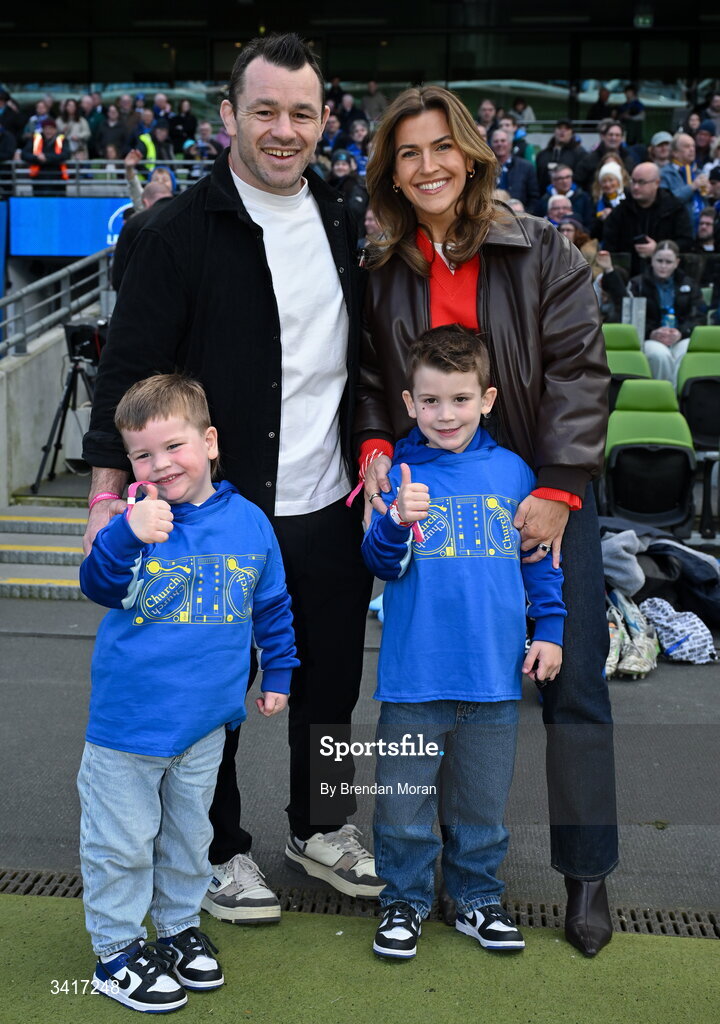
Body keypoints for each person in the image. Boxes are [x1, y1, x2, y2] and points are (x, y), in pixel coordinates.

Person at [82, 32, 381, 925]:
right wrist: (107, 498)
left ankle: (323, 824)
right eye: (265, 110)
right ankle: (216, 852)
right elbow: (127, 371)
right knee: (215, 690)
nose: (284, 129)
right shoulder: (173, 232)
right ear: (229, 116)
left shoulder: (344, 217)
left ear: (324, 119)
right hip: (212, 515)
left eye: (301, 112)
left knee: (327, 682)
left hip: (329, 507)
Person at [357, 84, 617, 958]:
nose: (427, 166)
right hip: (434, 492)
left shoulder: (539, 247)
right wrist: (376, 455)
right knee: (427, 698)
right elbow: (368, 380)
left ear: (470, 153)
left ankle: (588, 876)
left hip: (540, 490)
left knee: (570, 681)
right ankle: (411, 878)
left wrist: (556, 484)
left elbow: (583, 368)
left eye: (442, 148)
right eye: (407, 153)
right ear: (391, 171)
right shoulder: (385, 264)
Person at [78, 374, 297, 1013]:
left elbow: (273, 607)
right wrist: (123, 530)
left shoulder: (251, 523)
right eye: (142, 455)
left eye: (173, 447)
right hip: (129, 726)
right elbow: (97, 584)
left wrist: (280, 674)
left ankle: (175, 928)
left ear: (210, 441)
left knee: (188, 838)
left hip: (206, 727)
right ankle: (116, 951)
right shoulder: (132, 520)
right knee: (120, 842)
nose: (160, 464)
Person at [363, 326, 565, 960]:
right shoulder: (395, 471)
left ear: (488, 399)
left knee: (481, 804)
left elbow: (537, 561)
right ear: (408, 400)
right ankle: (403, 901)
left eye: (458, 399)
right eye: (429, 401)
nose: (443, 415)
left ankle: (478, 899)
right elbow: (379, 561)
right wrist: (396, 521)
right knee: (402, 803)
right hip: (413, 677)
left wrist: (550, 631)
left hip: (493, 677)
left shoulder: (514, 473)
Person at [629, 239, 707, 385]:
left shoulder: (689, 284)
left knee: (685, 353)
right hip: (650, 337)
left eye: (668, 262)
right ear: (652, 260)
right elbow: (631, 318)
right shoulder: (637, 284)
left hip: (681, 336)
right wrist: (652, 332)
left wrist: (681, 332)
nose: (663, 266)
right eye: (659, 260)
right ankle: (665, 397)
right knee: (660, 355)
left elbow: (699, 317)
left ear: (676, 263)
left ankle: (680, 399)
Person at [602, 161, 693, 276]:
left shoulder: (674, 209)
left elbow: (686, 241)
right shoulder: (620, 211)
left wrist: (659, 249)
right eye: (633, 181)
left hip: (667, 276)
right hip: (628, 275)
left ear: (657, 183)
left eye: (641, 182)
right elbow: (610, 246)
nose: (635, 187)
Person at [111, 179, 174, 290]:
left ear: (145, 202)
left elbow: (119, 275)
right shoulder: (191, 217)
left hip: (146, 295)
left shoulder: (133, 224)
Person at [660, 133, 709, 232]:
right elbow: (668, 201)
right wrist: (692, 187)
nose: (692, 149)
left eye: (693, 146)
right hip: (678, 229)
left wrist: (710, 192)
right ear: (675, 152)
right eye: (687, 146)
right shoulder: (665, 174)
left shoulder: (699, 172)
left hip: (701, 229)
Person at [21, 117, 71, 195]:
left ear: (55, 129)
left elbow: (66, 154)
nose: (48, 131)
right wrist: (37, 158)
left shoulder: (62, 140)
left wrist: (47, 158)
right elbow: (24, 154)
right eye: (46, 129)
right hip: (39, 179)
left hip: (57, 179)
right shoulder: (35, 139)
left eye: (51, 129)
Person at [491, 129, 539, 209]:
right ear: (491, 145)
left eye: (503, 141)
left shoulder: (526, 167)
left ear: (510, 144)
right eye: (496, 141)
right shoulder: (484, 168)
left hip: (520, 217)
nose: (499, 144)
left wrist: (525, 216)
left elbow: (534, 197)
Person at [535, 119, 586, 193]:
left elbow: (581, 179)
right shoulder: (542, 155)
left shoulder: (580, 154)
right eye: (559, 128)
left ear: (572, 133)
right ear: (554, 131)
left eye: (566, 129)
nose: (562, 131)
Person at [535, 164, 593, 230]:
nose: (565, 181)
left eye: (568, 177)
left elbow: (589, 224)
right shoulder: (544, 200)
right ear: (553, 181)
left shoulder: (583, 198)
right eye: (560, 178)